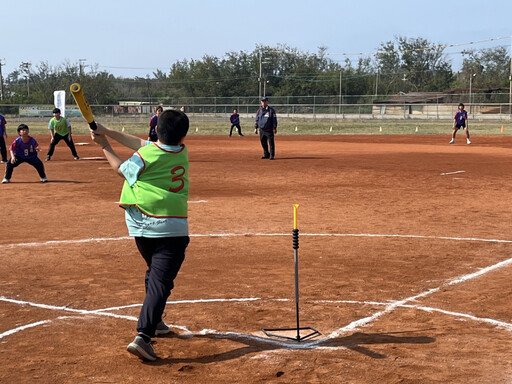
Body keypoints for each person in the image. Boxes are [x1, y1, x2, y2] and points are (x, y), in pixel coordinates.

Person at [89, 109, 190, 362]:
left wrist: (105, 145)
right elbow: (139, 147)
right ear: (183, 135)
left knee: (155, 273)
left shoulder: (147, 154)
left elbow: (122, 169)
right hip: (171, 228)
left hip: (140, 226)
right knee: (160, 281)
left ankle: (155, 323)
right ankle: (143, 336)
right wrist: (106, 133)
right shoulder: (181, 151)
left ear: (156, 130)